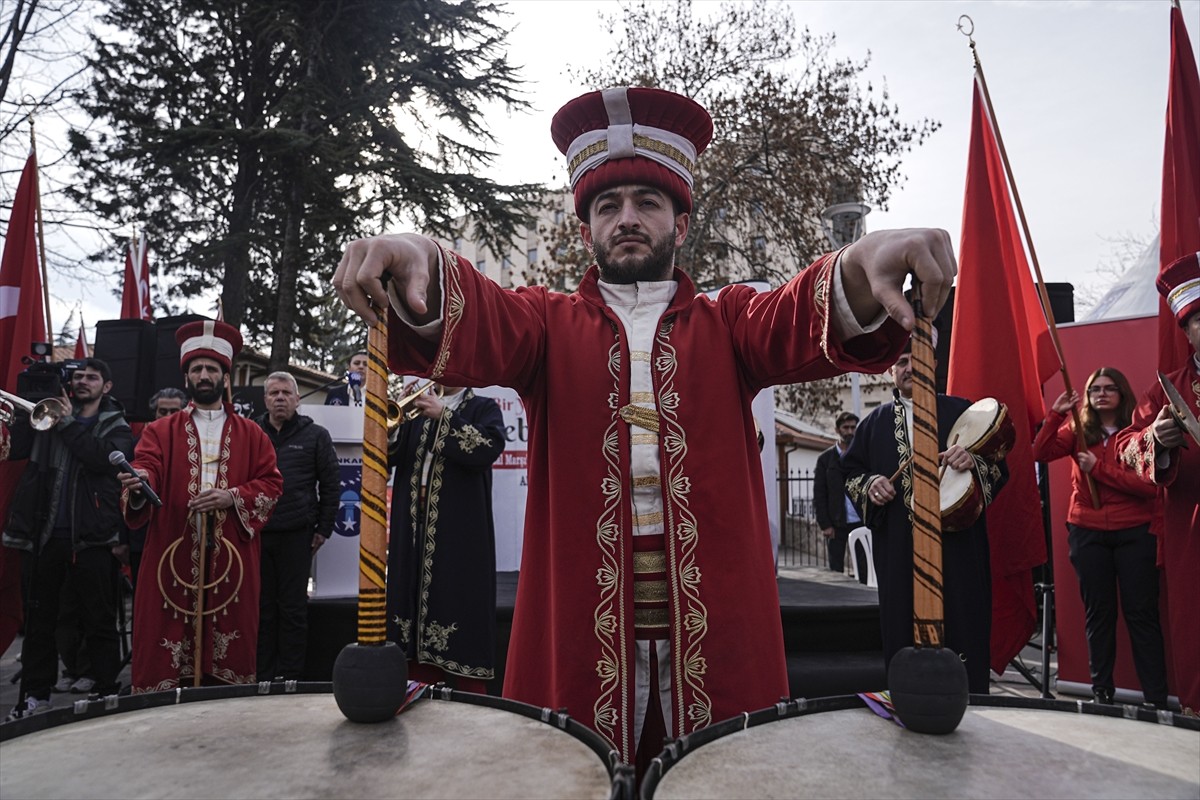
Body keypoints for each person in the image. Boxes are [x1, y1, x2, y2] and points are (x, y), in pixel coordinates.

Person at [332, 86, 956, 766]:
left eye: (648, 203)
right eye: (608, 206)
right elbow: (478, 313)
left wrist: (860, 264)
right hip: (582, 634)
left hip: (713, 639)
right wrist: (421, 256)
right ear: (584, 230)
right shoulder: (543, 324)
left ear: (680, 225)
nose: (627, 217)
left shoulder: (731, 322)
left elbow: (802, 311)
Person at [118, 320, 282, 692]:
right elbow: (149, 467)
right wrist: (140, 483)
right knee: (163, 629)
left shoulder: (253, 433)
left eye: (211, 368)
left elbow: (272, 484)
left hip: (232, 554)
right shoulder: (160, 431)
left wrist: (232, 497)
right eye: (196, 369)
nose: (204, 375)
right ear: (186, 375)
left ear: (224, 375)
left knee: (231, 630)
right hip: (171, 546)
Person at [841, 339, 1007, 694]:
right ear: (889, 370)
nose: (909, 367)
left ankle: (970, 704)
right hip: (900, 548)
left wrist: (973, 463)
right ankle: (908, 700)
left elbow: (1000, 469)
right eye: (900, 361)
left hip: (959, 548)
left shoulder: (967, 413)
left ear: (933, 362)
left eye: (916, 358)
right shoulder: (873, 424)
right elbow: (850, 473)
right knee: (902, 626)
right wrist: (870, 485)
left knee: (964, 622)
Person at [2, 358, 132, 720]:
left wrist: (67, 421)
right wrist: (20, 418)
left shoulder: (114, 424)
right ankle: (34, 695)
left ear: (106, 387)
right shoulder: (45, 416)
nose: (83, 381)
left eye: (92, 377)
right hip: (41, 535)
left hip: (91, 537)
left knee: (98, 619)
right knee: (40, 623)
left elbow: (101, 459)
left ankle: (106, 690)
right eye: (77, 376)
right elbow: (16, 450)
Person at [1033, 368, 1166, 707]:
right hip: (1087, 531)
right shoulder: (1078, 428)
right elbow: (1040, 452)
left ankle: (1156, 698)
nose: (1101, 394)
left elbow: (1149, 487)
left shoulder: (1139, 433)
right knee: (1099, 613)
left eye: (1109, 388)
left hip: (1135, 532)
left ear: (1122, 393)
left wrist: (1099, 470)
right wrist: (1056, 413)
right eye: (1095, 389)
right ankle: (1101, 693)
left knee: (1142, 614)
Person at [1117, 251, 1200, 715]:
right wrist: (1156, 440)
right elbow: (1125, 446)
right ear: (1186, 332)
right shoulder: (1168, 389)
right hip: (1193, 531)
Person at [387, 381, 505, 693]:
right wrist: (395, 424)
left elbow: (487, 448)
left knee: (458, 597)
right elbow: (387, 457)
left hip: (458, 529)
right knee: (407, 596)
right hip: (412, 526)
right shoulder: (415, 410)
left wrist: (444, 416)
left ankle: (466, 689)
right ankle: (413, 684)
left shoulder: (484, 407)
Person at [253, 371, 338, 681]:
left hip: (297, 536)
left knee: (293, 610)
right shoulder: (251, 434)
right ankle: (262, 676)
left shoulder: (316, 435)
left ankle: (291, 676)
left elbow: (331, 486)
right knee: (261, 610)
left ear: (297, 399)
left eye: (286, 393)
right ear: (265, 399)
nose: (280, 398)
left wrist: (323, 529)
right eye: (274, 393)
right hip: (256, 536)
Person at [814, 411, 865, 579]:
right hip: (836, 523)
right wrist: (825, 524)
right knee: (835, 569)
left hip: (860, 520)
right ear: (837, 430)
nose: (850, 431)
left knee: (864, 565)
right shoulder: (825, 459)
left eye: (853, 427)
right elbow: (819, 494)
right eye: (845, 428)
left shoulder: (862, 456)